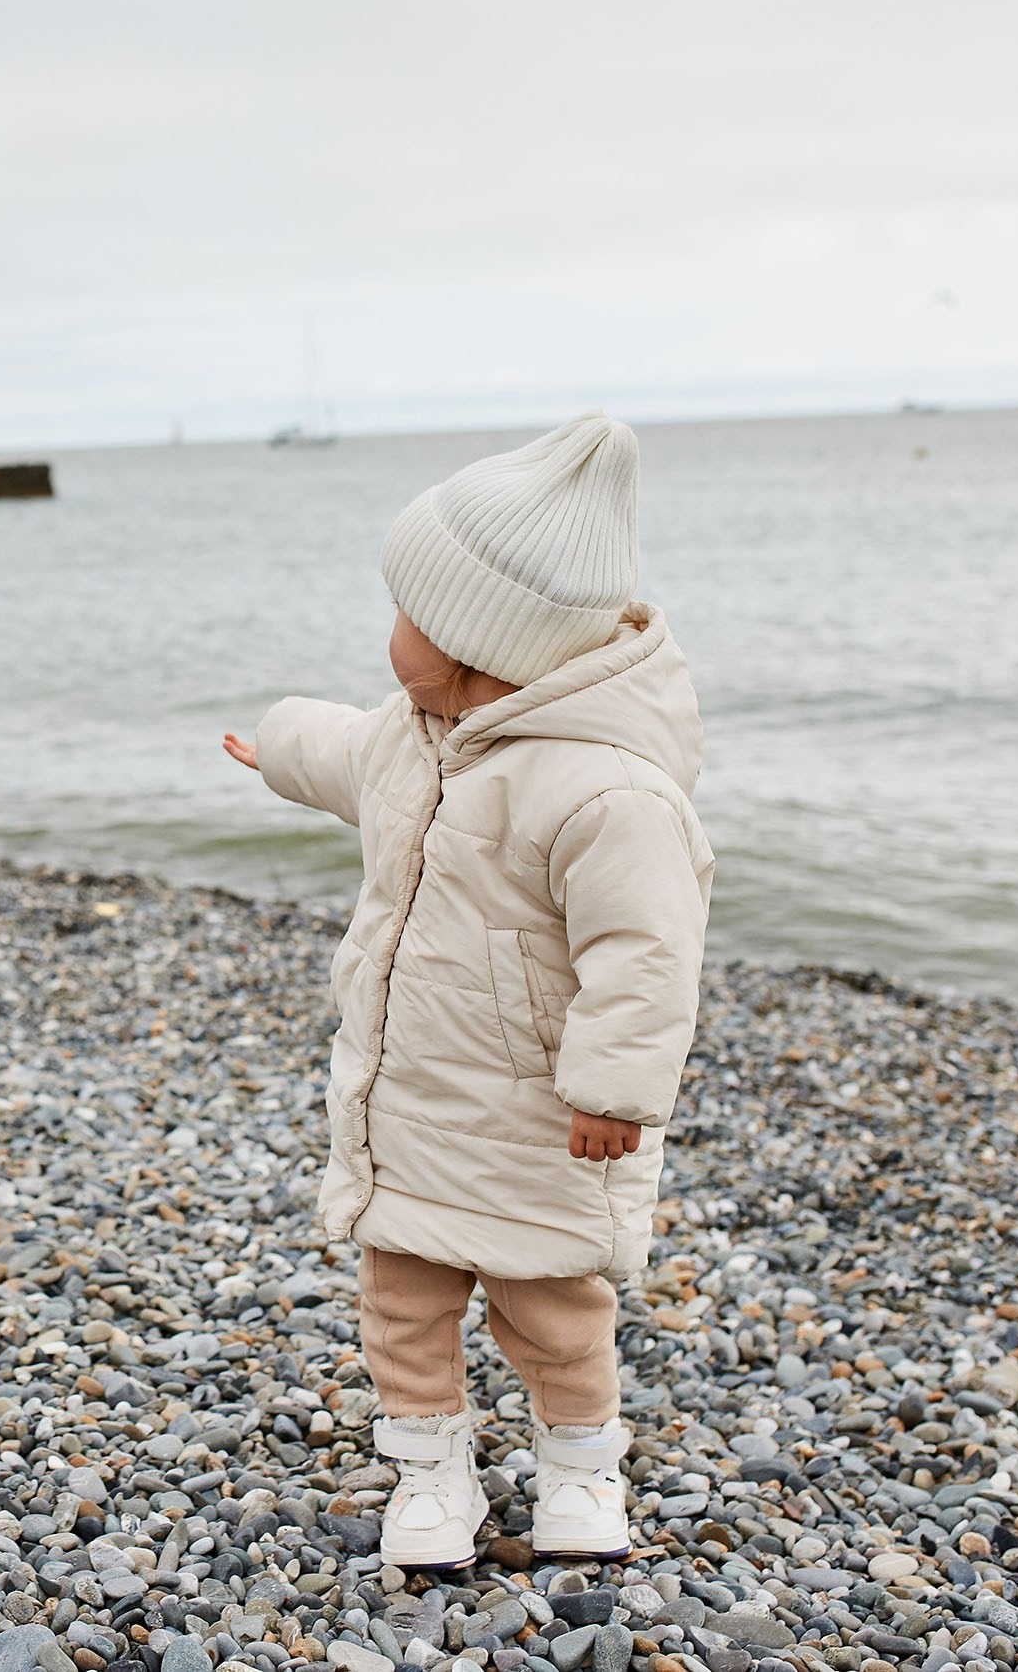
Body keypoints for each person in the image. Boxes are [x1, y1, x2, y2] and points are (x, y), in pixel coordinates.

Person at [222, 415, 714, 1568]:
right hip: (413, 1100)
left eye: (401, 616)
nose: (386, 636)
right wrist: (281, 745)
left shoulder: (605, 791)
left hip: (546, 1119)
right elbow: (352, 755)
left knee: (550, 1308)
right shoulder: (419, 733)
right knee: (402, 1300)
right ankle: (429, 1471)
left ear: (470, 639)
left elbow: (644, 953)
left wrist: (613, 1090)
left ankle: (582, 1469)